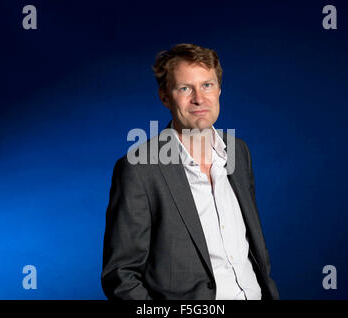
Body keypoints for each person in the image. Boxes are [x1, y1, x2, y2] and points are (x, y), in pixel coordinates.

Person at [101, 43, 279, 300]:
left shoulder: (238, 152)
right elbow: (121, 275)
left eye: (207, 85)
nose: (199, 98)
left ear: (219, 89)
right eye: (185, 88)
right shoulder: (139, 169)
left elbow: (251, 249)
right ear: (165, 96)